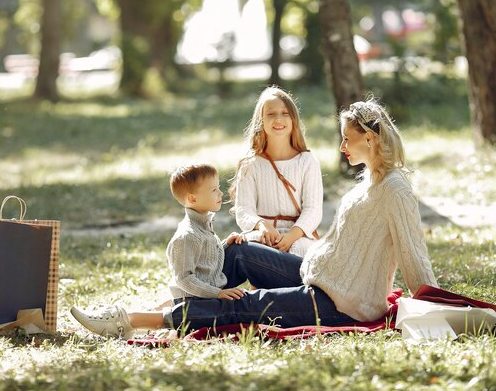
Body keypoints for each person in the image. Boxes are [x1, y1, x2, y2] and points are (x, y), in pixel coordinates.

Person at [70, 98, 438, 339]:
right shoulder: (367, 182)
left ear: (370, 139)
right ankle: (182, 300)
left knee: (247, 304)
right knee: (240, 251)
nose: (342, 147)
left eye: (347, 139)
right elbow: (339, 243)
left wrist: (439, 310)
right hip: (320, 273)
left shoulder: (395, 189)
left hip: (344, 303)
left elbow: (414, 254)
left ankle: (129, 321)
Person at [70, 163, 246, 339]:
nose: (221, 193)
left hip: (202, 298)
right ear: (192, 199)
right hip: (192, 302)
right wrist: (217, 293)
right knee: (202, 315)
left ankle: (141, 318)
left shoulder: (203, 226)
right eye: (214, 190)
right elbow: (184, 279)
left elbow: (204, 261)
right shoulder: (187, 236)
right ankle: (119, 320)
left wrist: (224, 246)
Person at [229, 86, 323, 257]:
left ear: (294, 119)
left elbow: (313, 210)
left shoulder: (308, 162)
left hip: (299, 236)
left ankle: (274, 281)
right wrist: (262, 225)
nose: (278, 119)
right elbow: (244, 209)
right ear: (261, 120)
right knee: (238, 247)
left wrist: (291, 236)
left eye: (285, 113)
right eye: (271, 114)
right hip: (263, 234)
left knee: (300, 250)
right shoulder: (250, 164)